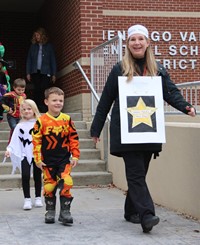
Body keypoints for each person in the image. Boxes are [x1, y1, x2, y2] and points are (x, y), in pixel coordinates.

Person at [90, 24, 196, 233]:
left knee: (139, 174)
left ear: (147, 43)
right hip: (126, 131)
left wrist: (186, 106)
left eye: (140, 39)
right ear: (128, 44)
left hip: (148, 130)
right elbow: (105, 102)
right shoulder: (119, 69)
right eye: (132, 40)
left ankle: (131, 211)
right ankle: (147, 216)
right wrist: (96, 130)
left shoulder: (158, 70)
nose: (136, 43)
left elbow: (171, 93)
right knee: (136, 174)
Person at [32, 87, 80, 224]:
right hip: (47, 162)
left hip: (64, 160)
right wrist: (38, 159)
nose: (58, 103)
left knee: (67, 182)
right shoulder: (41, 121)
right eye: (54, 100)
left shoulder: (67, 119)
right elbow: (36, 141)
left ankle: (65, 212)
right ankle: (50, 211)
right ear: (46, 102)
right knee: (49, 187)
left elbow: (74, 138)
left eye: (60, 100)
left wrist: (75, 155)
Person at [5, 99, 43, 210]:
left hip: (37, 154)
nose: (26, 111)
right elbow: (14, 140)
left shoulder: (40, 123)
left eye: (29, 109)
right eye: (24, 109)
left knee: (37, 176)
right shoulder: (19, 126)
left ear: (34, 109)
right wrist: (9, 150)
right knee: (25, 176)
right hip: (24, 154)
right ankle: (27, 199)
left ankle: (38, 197)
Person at [26, 27, 57, 113]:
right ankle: (37, 107)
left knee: (44, 89)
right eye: (35, 35)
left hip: (46, 71)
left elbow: (52, 60)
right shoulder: (33, 46)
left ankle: (45, 107)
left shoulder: (49, 46)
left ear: (42, 35)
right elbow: (29, 60)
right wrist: (28, 72)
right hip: (35, 71)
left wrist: (54, 74)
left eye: (38, 35)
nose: (36, 37)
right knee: (37, 89)